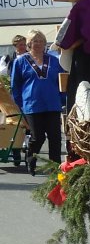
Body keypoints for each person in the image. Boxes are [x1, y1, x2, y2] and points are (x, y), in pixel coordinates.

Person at [9, 29, 65, 175]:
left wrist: (62, 99)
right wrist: (21, 104)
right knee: (37, 137)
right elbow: (16, 85)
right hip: (32, 105)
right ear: (29, 43)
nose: (38, 44)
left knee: (55, 137)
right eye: (35, 41)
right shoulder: (20, 62)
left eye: (40, 41)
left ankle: (55, 167)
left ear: (45, 43)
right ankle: (31, 159)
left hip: (52, 103)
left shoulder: (53, 60)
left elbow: (62, 81)